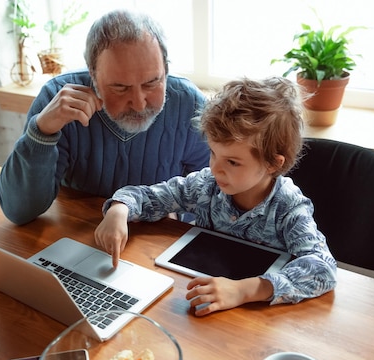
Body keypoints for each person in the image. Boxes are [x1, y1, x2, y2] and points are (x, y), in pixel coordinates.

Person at [94, 76, 337, 316]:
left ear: (273, 163)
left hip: (255, 319)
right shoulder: (206, 185)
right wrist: (119, 209)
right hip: (201, 302)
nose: (215, 169)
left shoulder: (288, 206)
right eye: (213, 153)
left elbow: (322, 268)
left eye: (232, 161)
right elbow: (150, 197)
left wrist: (244, 291)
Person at [0, 10, 210, 225]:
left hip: (156, 242)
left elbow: (212, 197)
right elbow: (18, 211)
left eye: (151, 83)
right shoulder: (57, 99)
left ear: (166, 69)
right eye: (120, 87)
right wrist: (41, 132)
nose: (139, 104)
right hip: (80, 235)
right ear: (93, 76)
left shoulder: (190, 104)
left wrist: (179, 214)